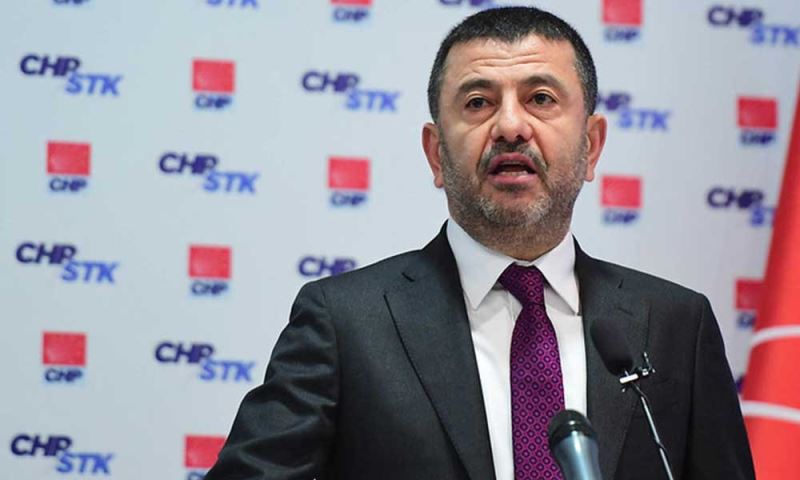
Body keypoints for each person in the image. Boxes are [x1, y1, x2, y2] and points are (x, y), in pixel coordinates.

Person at [205, 7, 754, 480]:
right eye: (477, 103)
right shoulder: (345, 323)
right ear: (436, 154)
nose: (511, 126)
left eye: (541, 98)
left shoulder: (676, 324)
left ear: (591, 146)